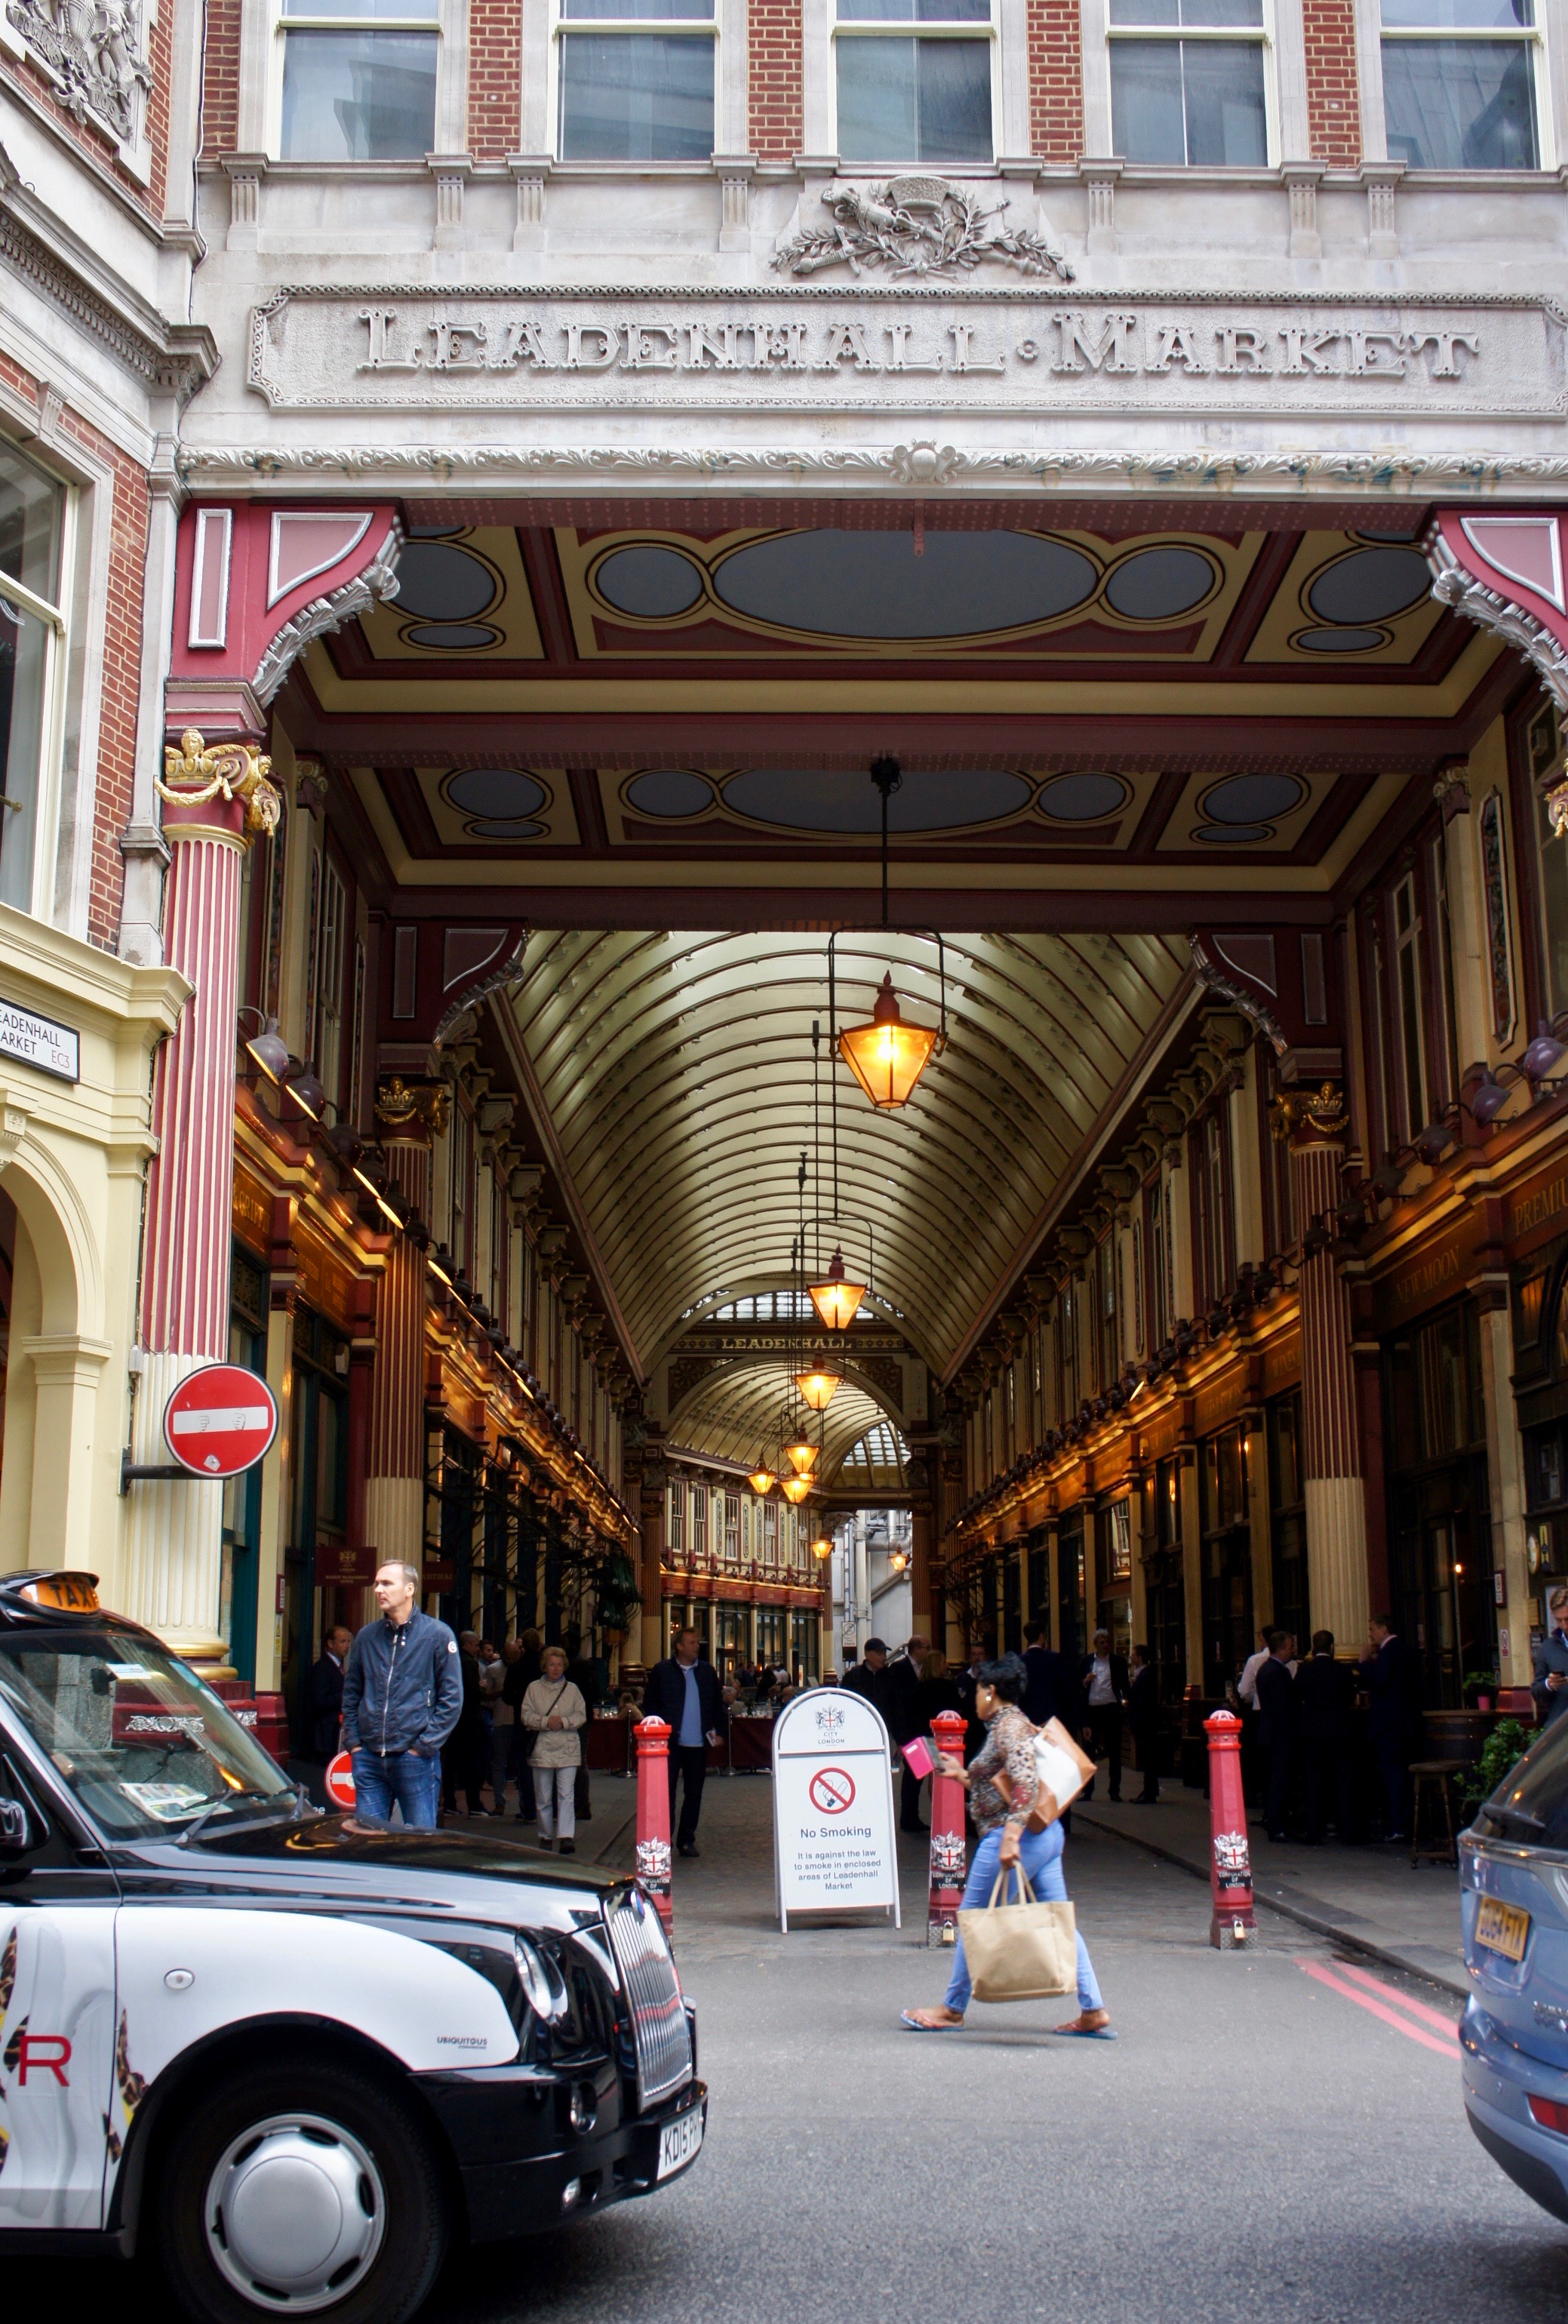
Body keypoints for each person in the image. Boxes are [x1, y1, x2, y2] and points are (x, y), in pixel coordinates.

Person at [899, 1651, 1111, 2038]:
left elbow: (1025, 1784)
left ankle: (952, 2009)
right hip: (1044, 1835)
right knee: (1059, 1919)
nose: (974, 1697)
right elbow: (1001, 1785)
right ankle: (1093, 2009)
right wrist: (961, 1774)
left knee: (972, 1916)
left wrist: (1010, 1838)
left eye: (978, 1690)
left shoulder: (1008, 1728)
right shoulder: (1012, 1723)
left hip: (1015, 1835)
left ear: (990, 1691)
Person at [340, 1561, 463, 1830]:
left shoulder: (437, 1635)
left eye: (387, 1583)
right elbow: (352, 1693)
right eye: (377, 1584)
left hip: (414, 1759)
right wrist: (355, 1743)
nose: (378, 1590)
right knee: (368, 1840)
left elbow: (452, 1699)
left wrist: (423, 1746)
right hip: (369, 1757)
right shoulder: (366, 1637)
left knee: (418, 1841)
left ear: (409, 1589)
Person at [643, 1627, 728, 1856]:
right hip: (670, 1743)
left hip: (698, 1744)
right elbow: (651, 1704)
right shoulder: (662, 1671)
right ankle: (664, 1838)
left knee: (694, 1793)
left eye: (697, 1642)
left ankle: (687, 1839)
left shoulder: (707, 1672)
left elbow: (716, 1704)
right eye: (691, 1643)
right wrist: (656, 1731)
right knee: (666, 1793)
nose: (696, 1646)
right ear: (679, 1646)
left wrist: (720, 1732)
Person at [521, 1645, 587, 1852]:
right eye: (552, 1664)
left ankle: (566, 1836)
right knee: (543, 1796)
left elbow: (581, 1715)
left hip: (567, 1748)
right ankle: (545, 1835)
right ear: (545, 1666)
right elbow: (526, 1715)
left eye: (559, 1664)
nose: (556, 1668)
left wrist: (564, 1722)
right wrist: (545, 1722)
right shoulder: (533, 1689)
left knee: (566, 1794)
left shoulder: (572, 1690)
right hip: (542, 1749)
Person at [1296, 1630, 1357, 1844]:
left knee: (1314, 1781)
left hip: (1312, 1732)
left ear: (1314, 1647)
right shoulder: (1343, 1671)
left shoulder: (1305, 1671)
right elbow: (1350, 1697)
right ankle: (1348, 1831)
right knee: (1343, 1780)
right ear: (1332, 1647)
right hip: (1339, 1730)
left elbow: (1298, 1696)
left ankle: (1314, 1831)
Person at [1358, 1614, 1416, 1841]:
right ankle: (1404, 1824)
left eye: (1372, 1629)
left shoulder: (1388, 1651)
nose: (1370, 1635)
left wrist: (1363, 1663)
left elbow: (1379, 1681)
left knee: (1394, 1777)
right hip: (1405, 1723)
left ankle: (1398, 1826)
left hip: (1389, 1726)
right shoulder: (1404, 1649)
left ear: (1384, 1629)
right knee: (1402, 1776)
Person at [1255, 1628, 1298, 1842]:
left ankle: (1275, 1822)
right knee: (1279, 1780)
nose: (1293, 1651)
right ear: (1280, 1649)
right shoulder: (1278, 1672)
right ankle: (1277, 1825)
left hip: (1269, 1732)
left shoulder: (1265, 1669)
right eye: (1290, 1647)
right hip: (1279, 1734)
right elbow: (1283, 1707)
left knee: (1274, 1779)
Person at [1078, 1629, 1129, 1803]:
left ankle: (1114, 1790)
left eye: (1107, 1642)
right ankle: (1087, 1790)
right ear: (1095, 1645)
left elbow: (1124, 1685)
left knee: (1114, 1751)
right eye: (1102, 1643)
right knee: (1089, 1752)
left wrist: (1123, 1702)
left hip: (1111, 1710)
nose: (1105, 1645)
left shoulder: (1117, 1662)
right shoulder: (1086, 1662)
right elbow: (1078, 1686)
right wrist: (1086, 1681)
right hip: (1092, 1711)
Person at [885, 1635, 930, 1832]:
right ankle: (908, 1818)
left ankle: (912, 1816)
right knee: (912, 1774)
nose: (928, 1651)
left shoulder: (925, 1668)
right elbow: (898, 1700)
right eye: (926, 1647)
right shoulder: (898, 1668)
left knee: (917, 1774)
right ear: (917, 1649)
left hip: (921, 1729)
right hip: (908, 1730)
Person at [442, 1630, 489, 1817]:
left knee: (450, 1764)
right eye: (476, 1645)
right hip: (469, 1721)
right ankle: (474, 1804)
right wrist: (481, 1689)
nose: (478, 1648)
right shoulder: (470, 1664)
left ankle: (449, 1803)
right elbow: (472, 1693)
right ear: (467, 1644)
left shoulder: (452, 1660)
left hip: (453, 1720)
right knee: (472, 1763)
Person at [503, 1629, 541, 1822]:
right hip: (545, 1720)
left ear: (523, 1646)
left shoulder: (516, 1668)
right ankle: (549, 1808)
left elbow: (507, 1696)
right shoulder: (543, 1667)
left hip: (522, 1720)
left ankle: (529, 1809)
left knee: (525, 1765)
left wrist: (520, 1700)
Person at [307, 1624, 353, 1760]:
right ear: (331, 1644)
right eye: (342, 1642)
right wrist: (345, 1695)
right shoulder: (323, 1667)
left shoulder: (339, 1667)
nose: (347, 1646)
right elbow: (319, 1701)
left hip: (336, 1734)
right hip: (325, 1736)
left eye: (348, 1642)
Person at [1125, 1642, 1160, 1804]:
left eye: (1133, 1654)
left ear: (1140, 1658)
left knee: (1148, 1758)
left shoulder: (1145, 1676)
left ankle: (1150, 1792)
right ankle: (1149, 1790)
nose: (1131, 1657)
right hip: (1144, 1722)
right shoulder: (1143, 1674)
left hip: (1145, 1723)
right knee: (1147, 1758)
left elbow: (1144, 1701)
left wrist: (1136, 1719)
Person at [1021, 1619, 1069, 1728]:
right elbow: (1065, 1690)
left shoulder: (1020, 1662)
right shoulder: (1055, 1659)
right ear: (1041, 1636)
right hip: (1051, 1719)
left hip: (1029, 1720)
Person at [1533, 1586, 1568, 1727]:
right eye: (1559, 1620)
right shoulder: (1547, 1647)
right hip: (1560, 1730)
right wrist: (1549, 1685)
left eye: (1567, 1619)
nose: (1564, 1625)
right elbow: (1536, 1693)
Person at [843, 1637, 894, 1720]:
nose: (883, 1657)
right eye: (879, 1654)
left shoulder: (890, 1676)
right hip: (861, 1721)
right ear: (867, 1655)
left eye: (884, 1653)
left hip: (884, 1723)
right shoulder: (853, 1676)